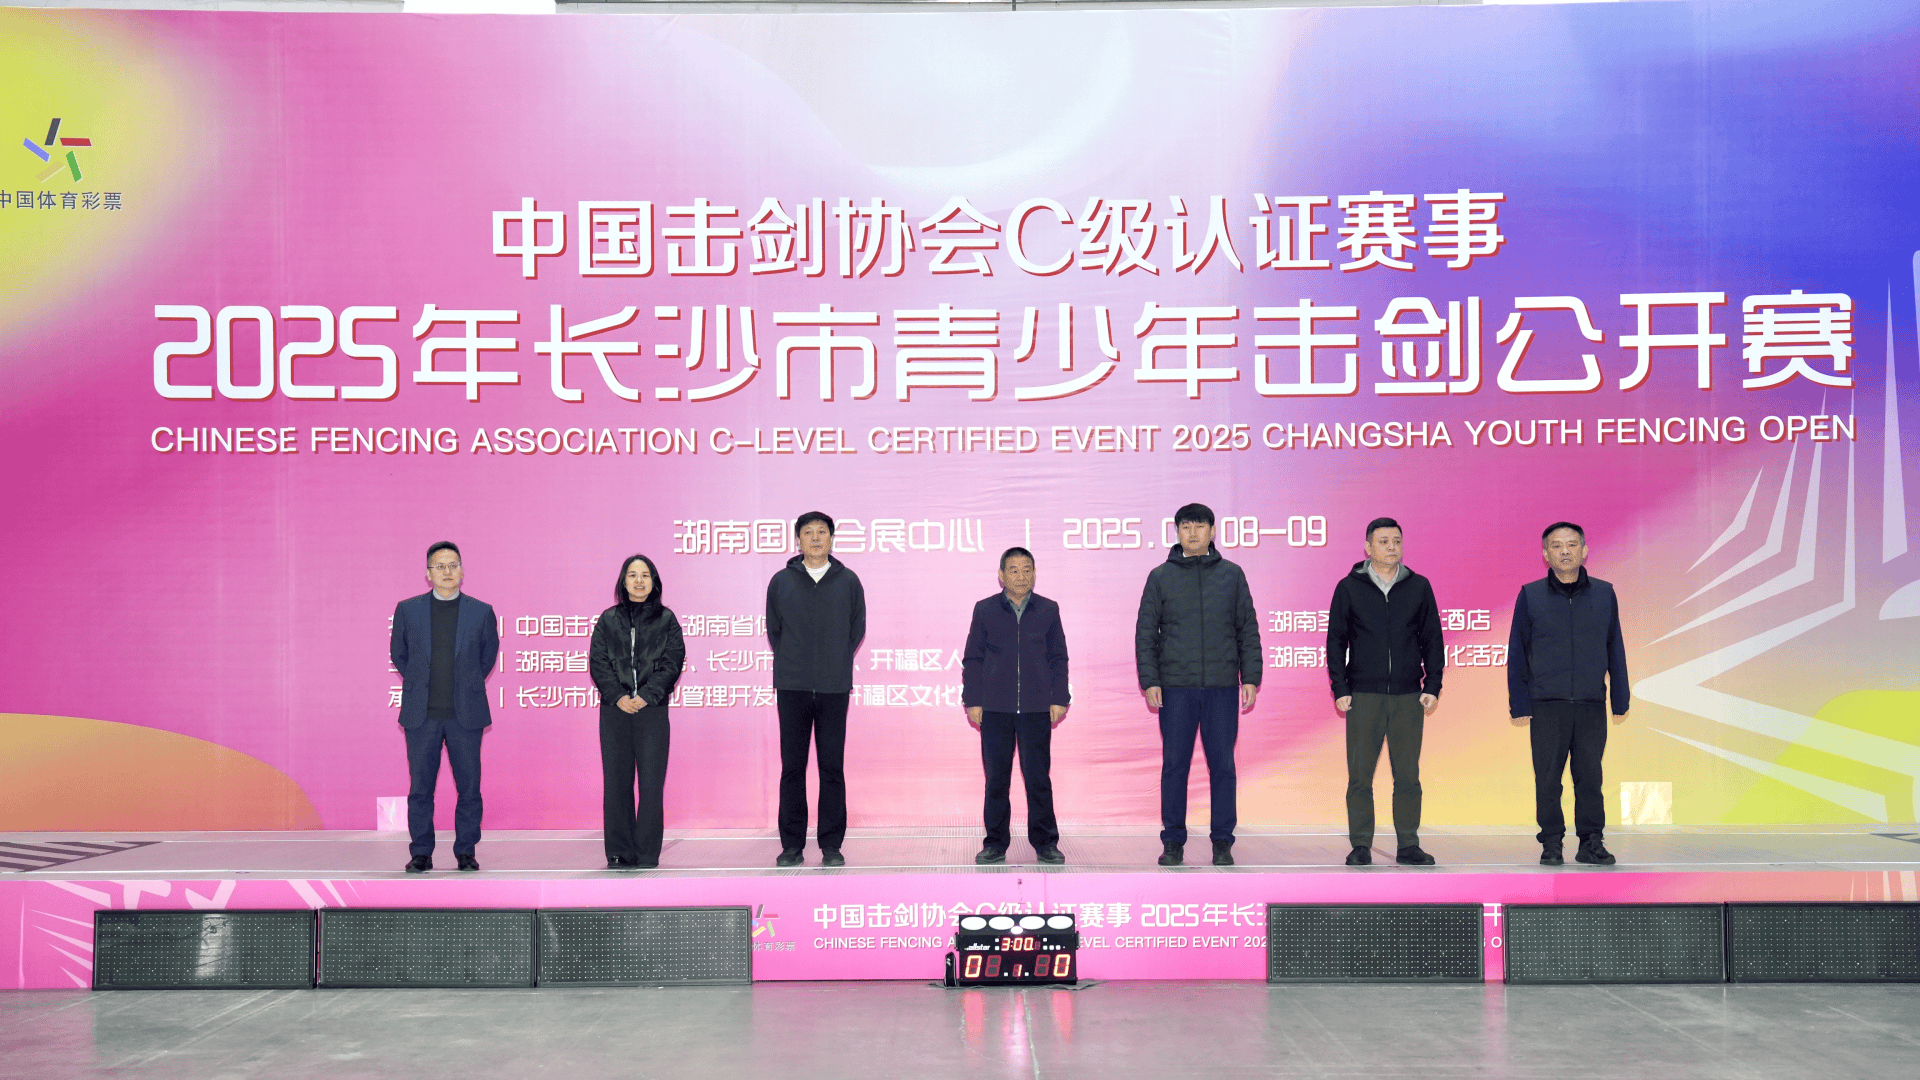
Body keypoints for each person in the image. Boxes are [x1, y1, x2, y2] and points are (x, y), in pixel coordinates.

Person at [1135, 503, 1263, 867]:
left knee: (1223, 766)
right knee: (1175, 765)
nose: (1193, 533)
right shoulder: (1160, 577)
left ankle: (1222, 841)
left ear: (1212, 531)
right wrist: (1150, 680)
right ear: (1177, 532)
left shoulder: (1232, 575)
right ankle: (1173, 841)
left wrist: (1251, 677)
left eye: (1200, 526)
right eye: (1186, 527)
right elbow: (1146, 633)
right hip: (1176, 688)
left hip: (1222, 686)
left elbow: (1247, 629)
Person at [1508, 521, 1630, 867]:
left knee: (1590, 777)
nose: (1565, 551)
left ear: (1584, 550)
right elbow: (1517, 651)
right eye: (1557, 546)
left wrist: (1620, 696)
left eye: (1572, 544)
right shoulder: (1531, 595)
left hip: (1591, 702)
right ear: (1545, 554)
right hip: (1547, 704)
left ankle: (1591, 842)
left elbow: (1615, 646)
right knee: (1548, 779)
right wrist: (1519, 702)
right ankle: (1551, 843)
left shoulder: (1604, 593)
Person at [1326, 517, 1445, 867]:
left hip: (1409, 696)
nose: (1392, 547)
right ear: (1368, 547)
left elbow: (1432, 638)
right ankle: (1361, 844)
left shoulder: (1419, 586)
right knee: (1360, 776)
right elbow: (1335, 641)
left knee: (1407, 775)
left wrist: (1433, 684)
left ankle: (1408, 844)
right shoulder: (1349, 588)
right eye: (1383, 541)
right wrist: (1340, 687)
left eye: (1397, 541)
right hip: (1363, 695)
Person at [389, 541, 500, 873]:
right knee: (420, 789)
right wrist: (421, 682)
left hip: (465, 715)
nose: (447, 572)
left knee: (469, 788)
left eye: (453, 565)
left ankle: (466, 851)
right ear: (428, 573)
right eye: (440, 566)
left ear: (462, 571)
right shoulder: (408, 610)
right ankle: (421, 852)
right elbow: (399, 654)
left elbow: (487, 657)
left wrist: (466, 684)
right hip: (421, 716)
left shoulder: (481, 611)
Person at [766, 511, 866, 867]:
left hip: (833, 687)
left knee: (831, 766)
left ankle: (831, 844)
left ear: (832, 539)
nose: (815, 538)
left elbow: (856, 629)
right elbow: (775, 631)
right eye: (808, 532)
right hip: (792, 686)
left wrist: (834, 661)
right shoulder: (781, 581)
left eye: (822, 532)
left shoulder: (848, 581)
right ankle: (791, 845)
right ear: (798, 540)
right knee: (792, 767)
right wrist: (794, 662)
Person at [961, 547, 1070, 866]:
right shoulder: (985, 609)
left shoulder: (1048, 609)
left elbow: (1058, 657)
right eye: (1013, 570)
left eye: (1026, 570)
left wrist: (1059, 697)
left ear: (1034, 574)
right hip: (995, 708)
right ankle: (995, 843)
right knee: (997, 780)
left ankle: (1046, 843)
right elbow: (973, 658)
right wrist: (973, 700)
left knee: (1038, 779)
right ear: (1001, 575)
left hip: (1036, 708)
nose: (1021, 576)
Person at [588, 554, 685, 869]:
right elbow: (598, 662)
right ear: (623, 581)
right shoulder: (608, 619)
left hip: (651, 711)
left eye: (645, 575)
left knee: (651, 785)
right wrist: (617, 696)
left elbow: (672, 662)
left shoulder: (666, 619)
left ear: (654, 581)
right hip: (614, 712)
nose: (639, 581)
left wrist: (646, 695)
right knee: (616, 783)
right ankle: (619, 851)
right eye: (632, 575)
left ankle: (646, 853)